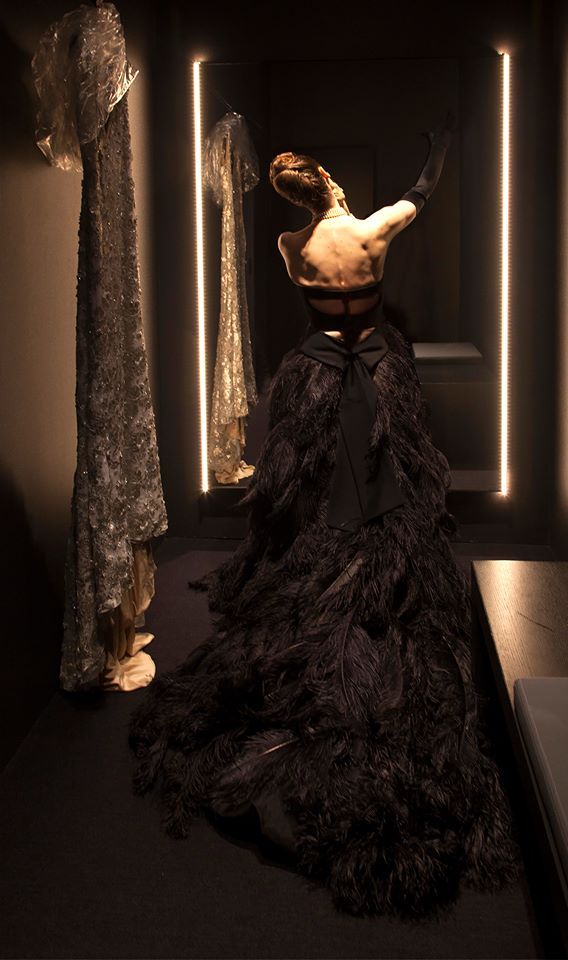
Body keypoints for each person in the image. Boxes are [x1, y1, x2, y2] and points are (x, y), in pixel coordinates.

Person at [129, 113, 521, 919]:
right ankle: (368, 588)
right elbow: (420, 195)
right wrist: (439, 150)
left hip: (311, 375)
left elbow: (308, 285)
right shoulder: (375, 231)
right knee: (387, 486)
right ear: (331, 183)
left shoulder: (290, 246)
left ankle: (326, 579)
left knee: (305, 497)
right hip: (377, 367)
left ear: (296, 197)